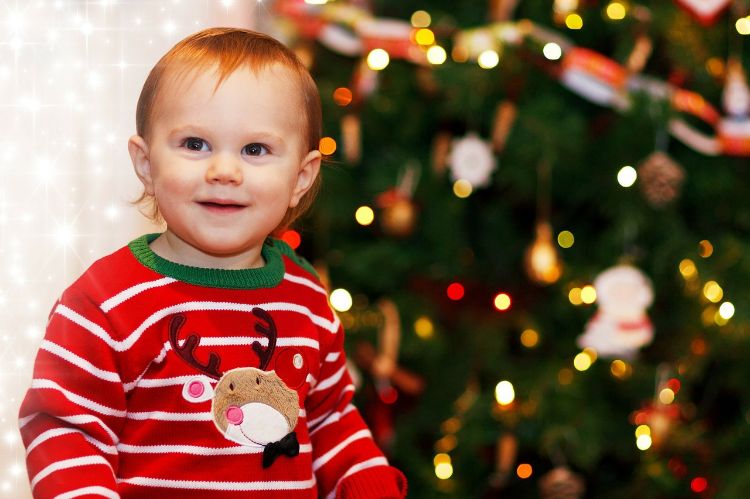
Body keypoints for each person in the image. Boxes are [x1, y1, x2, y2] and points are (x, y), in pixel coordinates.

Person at [18, 27, 407, 498]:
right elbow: (64, 430)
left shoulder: (305, 297)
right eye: (195, 144)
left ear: (301, 178)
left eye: (255, 150)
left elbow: (330, 420)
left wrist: (368, 483)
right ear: (145, 163)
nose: (224, 171)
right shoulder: (105, 302)